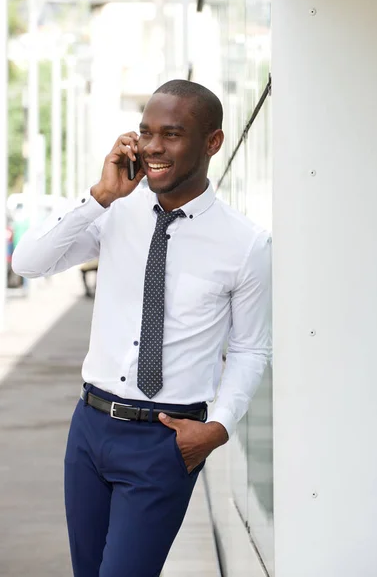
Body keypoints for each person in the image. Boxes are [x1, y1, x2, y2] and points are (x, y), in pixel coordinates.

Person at [12, 79, 271, 577]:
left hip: (166, 439)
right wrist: (99, 197)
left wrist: (216, 428)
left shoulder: (246, 245)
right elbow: (28, 263)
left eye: (171, 134)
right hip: (89, 427)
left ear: (212, 143)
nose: (153, 147)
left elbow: (250, 349)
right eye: (145, 132)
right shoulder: (115, 213)